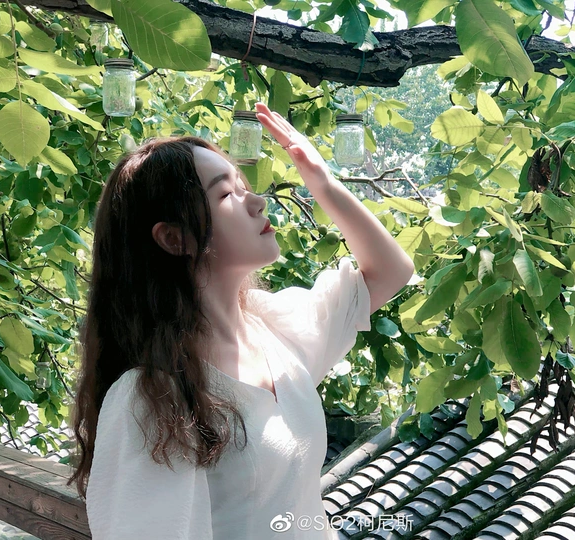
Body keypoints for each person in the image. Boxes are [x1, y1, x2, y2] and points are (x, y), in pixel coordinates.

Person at [66, 102, 415, 539]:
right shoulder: (151, 397)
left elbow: (390, 272)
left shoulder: (274, 331)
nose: (257, 201)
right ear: (174, 238)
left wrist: (322, 182)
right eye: (225, 194)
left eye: (242, 184)